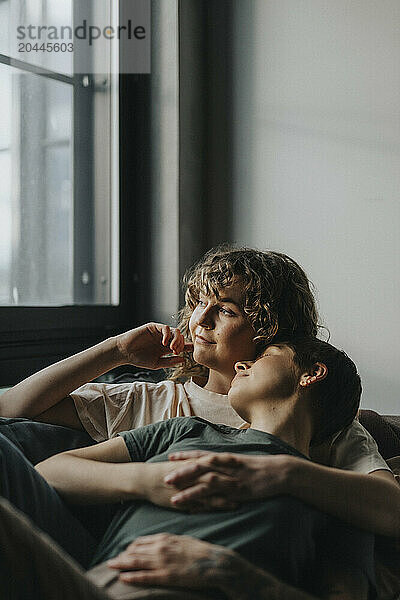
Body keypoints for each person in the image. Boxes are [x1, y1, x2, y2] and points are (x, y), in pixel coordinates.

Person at [0, 245, 398, 540]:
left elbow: (390, 506)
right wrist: (116, 351)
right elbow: (14, 406)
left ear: (270, 329)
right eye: (198, 303)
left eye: (226, 310)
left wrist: (284, 476)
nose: (198, 320)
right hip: (127, 546)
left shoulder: (318, 416)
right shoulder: (155, 401)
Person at [0, 338, 375, 599]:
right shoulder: (186, 430)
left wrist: (231, 575)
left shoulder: (337, 495)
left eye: (265, 356)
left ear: (312, 374)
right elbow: (49, 472)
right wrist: (149, 480)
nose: (242, 364)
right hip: (87, 587)